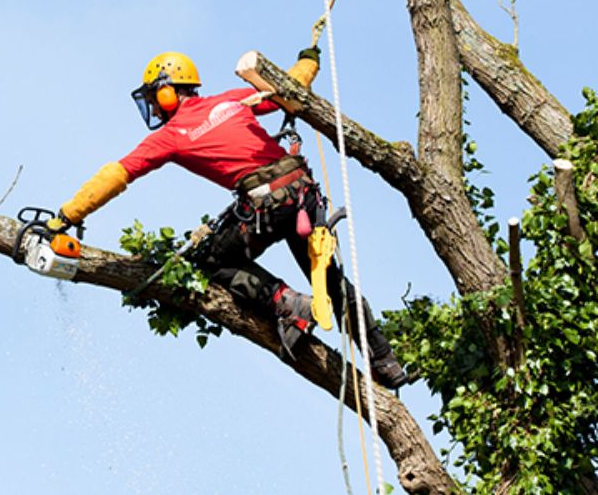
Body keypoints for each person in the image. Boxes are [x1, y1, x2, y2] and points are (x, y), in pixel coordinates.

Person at [46, 49, 408, 389]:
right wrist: (308, 60)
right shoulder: (232, 100)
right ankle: (384, 360)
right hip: (302, 195)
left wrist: (67, 215)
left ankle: (287, 302)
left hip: (267, 205)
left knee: (210, 260)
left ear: (168, 92)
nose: (154, 107)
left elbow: (117, 173)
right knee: (330, 280)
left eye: (155, 98)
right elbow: (289, 86)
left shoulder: (171, 136)